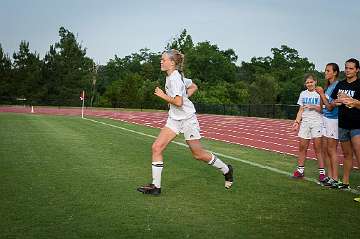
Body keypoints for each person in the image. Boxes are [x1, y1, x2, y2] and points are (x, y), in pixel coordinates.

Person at [137, 49, 233, 195]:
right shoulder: (174, 76)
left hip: (188, 120)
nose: (161, 61)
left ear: (172, 63)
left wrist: (163, 96)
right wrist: (184, 96)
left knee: (198, 154)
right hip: (174, 120)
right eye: (161, 59)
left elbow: (178, 102)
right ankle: (156, 187)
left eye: (163, 59)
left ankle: (226, 169)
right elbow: (193, 86)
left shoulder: (175, 78)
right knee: (157, 147)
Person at [330, 58, 360, 192]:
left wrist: (352, 101)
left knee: (359, 154)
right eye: (346, 68)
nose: (347, 70)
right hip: (342, 124)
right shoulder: (340, 84)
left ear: (357, 70)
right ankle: (345, 182)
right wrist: (336, 102)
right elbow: (333, 101)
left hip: (356, 124)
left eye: (351, 68)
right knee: (347, 154)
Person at [292, 74, 326, 183]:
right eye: (307, 82)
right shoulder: (303, 94)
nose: (309, 84)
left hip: (317, 122)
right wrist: (297, 121)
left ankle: (322, 173)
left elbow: (323, 110)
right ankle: (300, 170)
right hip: (305, 123)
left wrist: (313, 107)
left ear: (315, 81)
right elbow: (301, 110)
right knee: (302, 147)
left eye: (311, 82)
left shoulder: (319, 93)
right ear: (305, 84)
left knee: (318, 148)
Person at [315, 63, 340, 187]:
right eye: (325, 70)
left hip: (333, 119)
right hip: (325, 119)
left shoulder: (337, 86)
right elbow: (323, 107)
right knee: (325, 149)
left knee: (332, 150)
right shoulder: (328, 86)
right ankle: (329, 177)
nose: (325, 73)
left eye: (328, 71)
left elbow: (330, 107)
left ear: (335, 72)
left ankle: (335, 178)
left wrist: (321, 94)